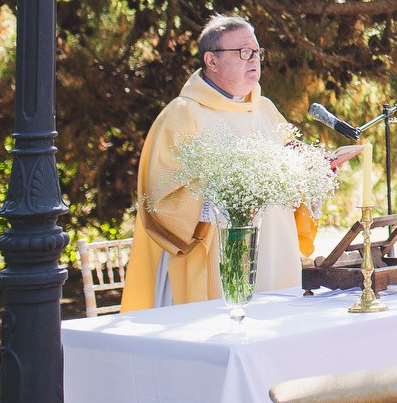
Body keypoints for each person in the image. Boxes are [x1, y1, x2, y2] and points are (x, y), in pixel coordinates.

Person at [121, 15, 308, 311]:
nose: (254, 59)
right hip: (212, 254)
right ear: (212, 60)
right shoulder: (184, 113)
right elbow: (162, 197)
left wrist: (310, 173)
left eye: (257, 52)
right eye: (243, 52)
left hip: (275, 251)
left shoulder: (266, 109)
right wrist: (219, 201)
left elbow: (291, 180)